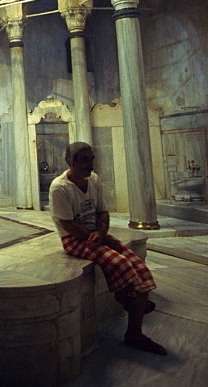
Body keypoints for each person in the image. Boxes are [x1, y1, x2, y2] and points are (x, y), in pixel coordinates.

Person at [49, 142, 166, 355]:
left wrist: (101, 234)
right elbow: (67, 224)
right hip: (74, 240)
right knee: (122, 265)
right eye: (84, 160)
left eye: (91, 159)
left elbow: (102, 212)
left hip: (96, 235)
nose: (90, 164)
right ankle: (128, 304)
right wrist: (95, 238)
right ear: (70, 161)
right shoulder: (60, 187)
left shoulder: (93, 180)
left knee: (137, 265)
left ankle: (132, 315)